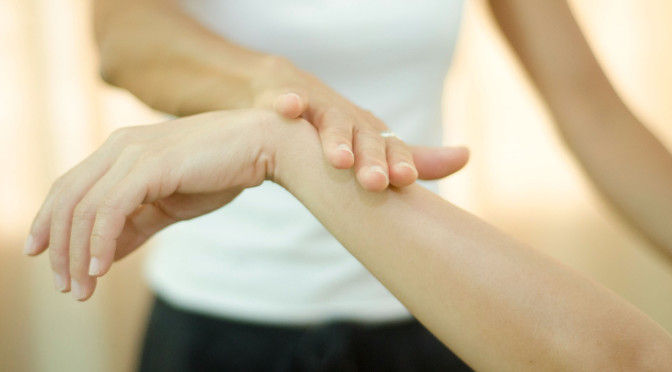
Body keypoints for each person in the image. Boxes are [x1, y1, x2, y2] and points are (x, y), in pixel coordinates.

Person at [25, 0, 672, 370]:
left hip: (429, 312)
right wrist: (278, 94)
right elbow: (123, 31)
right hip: (224, 330)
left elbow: (590, 106)